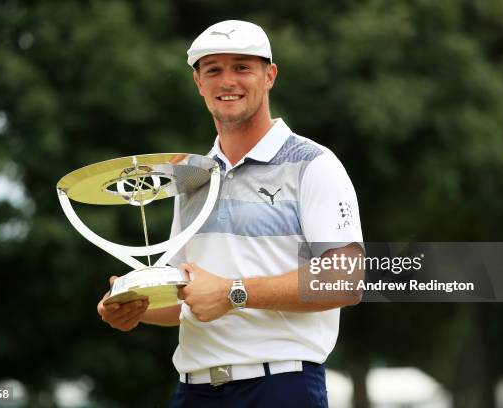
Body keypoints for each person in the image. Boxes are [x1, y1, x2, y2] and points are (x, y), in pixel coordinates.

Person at [97, 20, 364, 407]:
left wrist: (233, 292)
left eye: (242, 67)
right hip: (194, 390)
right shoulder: (191, 178)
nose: (227, 81)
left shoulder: (314, 164)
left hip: (280, 387)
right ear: (198, 82)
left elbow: (347, 279)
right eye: (214, 69)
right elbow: (189, 297)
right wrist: (136, 306)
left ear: (269, 75)